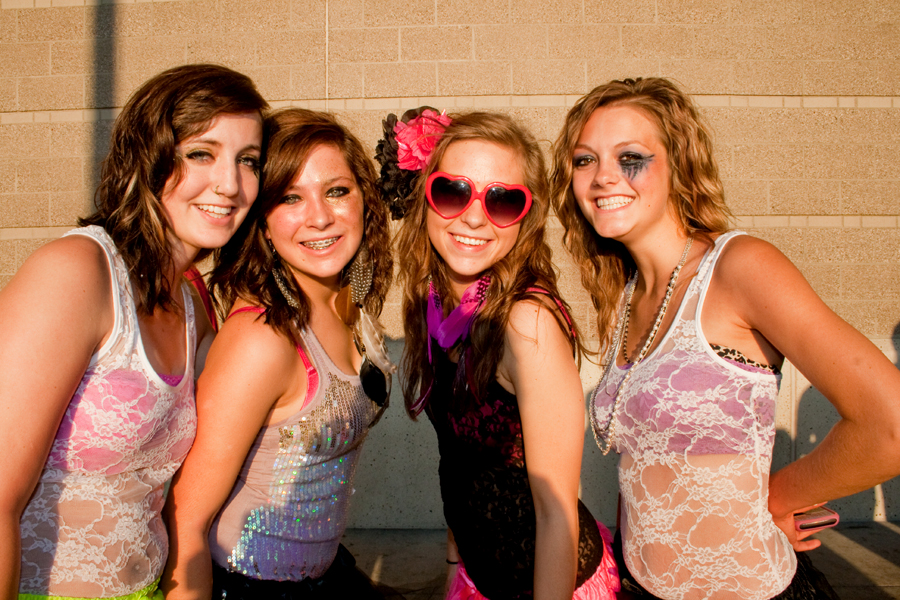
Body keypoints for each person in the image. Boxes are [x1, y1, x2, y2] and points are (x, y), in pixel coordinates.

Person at [550, 76, 900, 600]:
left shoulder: (739, 267)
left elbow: (889, 425)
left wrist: (778, 498)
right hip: (642, 586)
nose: (603, 178)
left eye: (630, 158)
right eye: (584, 160)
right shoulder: (624, 295)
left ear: (678, 165)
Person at [0, 64, 266, 600]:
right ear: (148, 156)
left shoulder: (193, 301)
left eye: (248, 161)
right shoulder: (77, 271)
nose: (231, 184)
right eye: (201, 153)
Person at [380, 108, 619, 600]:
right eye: (453, 191)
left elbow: (556, 511)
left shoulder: (525, 324)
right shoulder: (434, 302)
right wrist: (454, 565)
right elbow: (457, 460)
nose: (473, 216)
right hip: (477, 575)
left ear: (525, 219)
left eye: (502, 201)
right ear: (425, 195)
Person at [161, 108, 394, 600]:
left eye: (336, 190)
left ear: (364, 201)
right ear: (262, 222)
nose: (320, 216)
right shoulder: (262, 339)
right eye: (290, 197)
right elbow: (185, 517)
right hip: (250, 588)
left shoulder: (351, 302)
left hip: (326, 576)